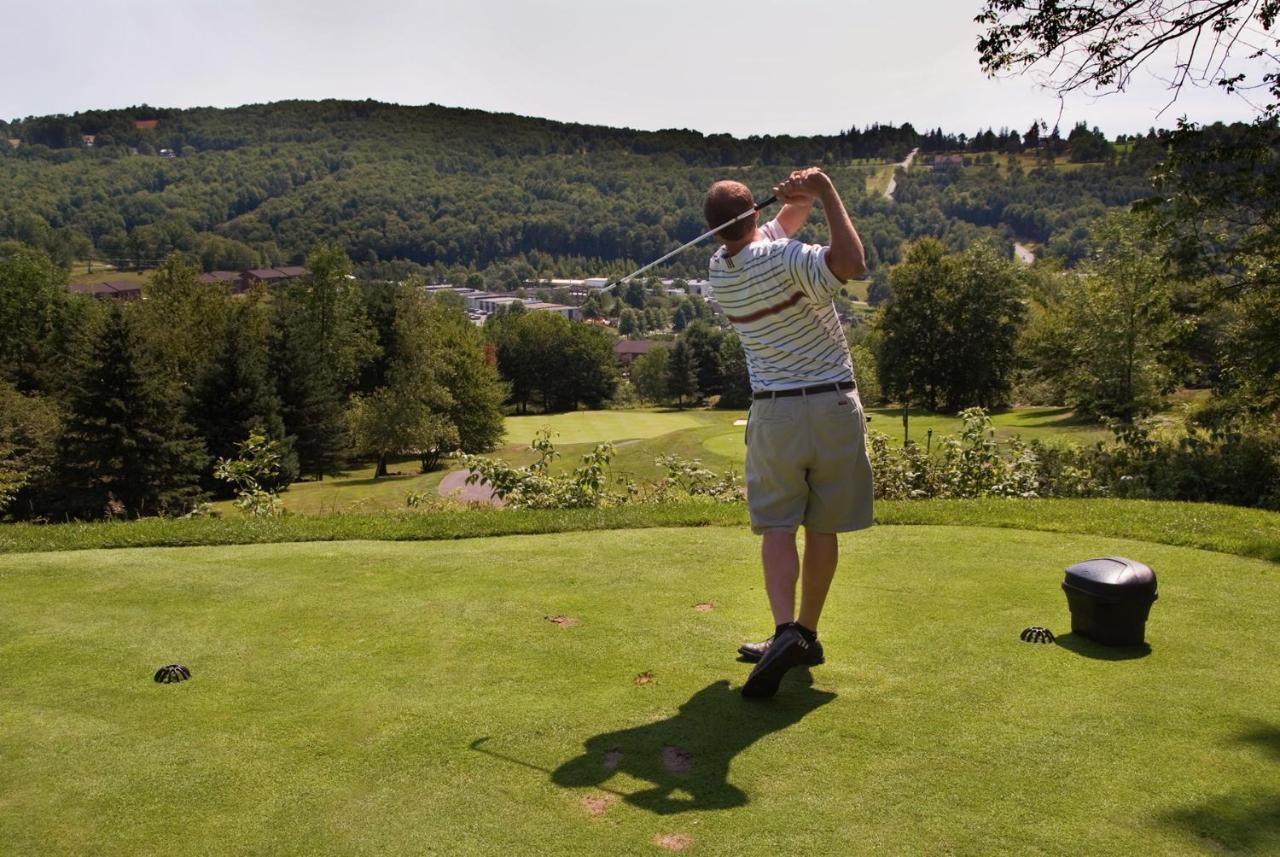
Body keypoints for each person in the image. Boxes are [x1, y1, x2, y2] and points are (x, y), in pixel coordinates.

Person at [704, 168, 874, 698]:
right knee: (821, 526)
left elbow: (776, 226)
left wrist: (794, 200)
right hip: (832, 404)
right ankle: (805, 634)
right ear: (754, 213)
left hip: (774, 413)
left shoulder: (720, 268)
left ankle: (785, 633)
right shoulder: (787, 257)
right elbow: (852, 264)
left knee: (778, 526)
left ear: (715, 231)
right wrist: (824, 192)